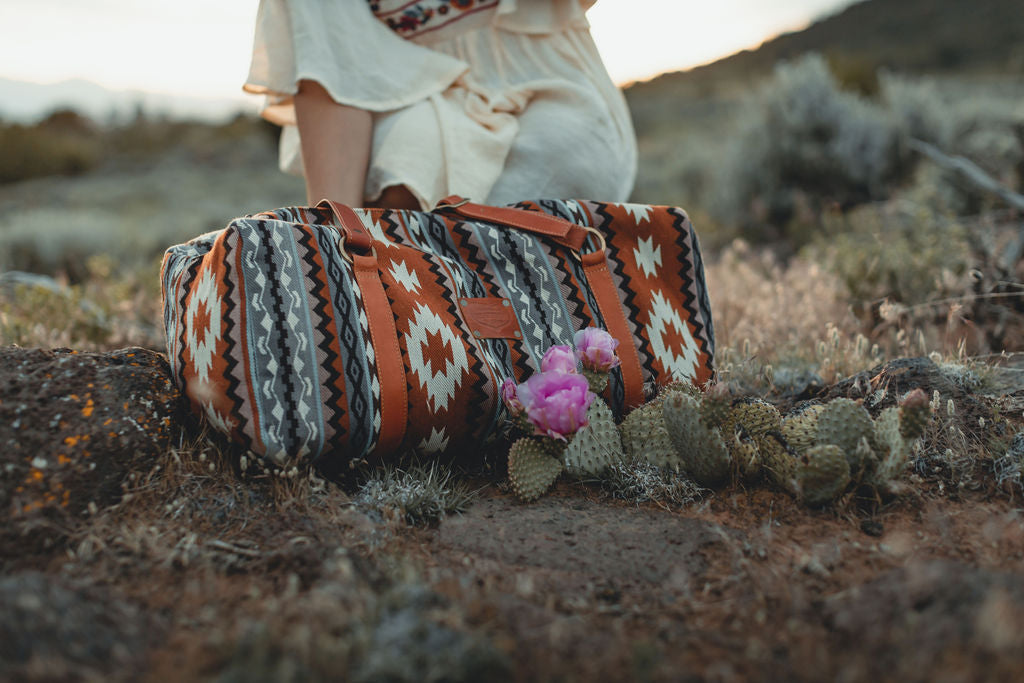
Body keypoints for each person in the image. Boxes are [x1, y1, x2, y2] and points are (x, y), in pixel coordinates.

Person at [244, 0, 637, 210]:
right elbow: (333, 80)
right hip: (406, 96)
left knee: (563, 149)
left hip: (547, 83)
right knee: (399, 180)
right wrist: (336, 249)